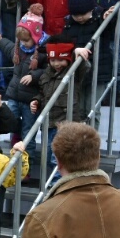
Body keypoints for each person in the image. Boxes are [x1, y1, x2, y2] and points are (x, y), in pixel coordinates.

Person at [29, 43, 91, 173]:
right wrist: (36, 101)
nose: (56, 64)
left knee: (57, 159)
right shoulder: (45, 75)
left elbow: (84, 66)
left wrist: (76, 52)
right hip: (48, 124)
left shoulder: (73, 72)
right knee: (47, 158)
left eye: (60, 60)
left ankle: (56, 183)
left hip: (65, 124)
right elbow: (42, 93)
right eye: (53, 60)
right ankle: (54, 182)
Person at [0, 27, 44, 181]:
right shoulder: (18, 49)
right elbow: (8, 47)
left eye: (27, 40)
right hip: (14, 96)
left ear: (36, 38)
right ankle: (15, 165)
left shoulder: (42, 52)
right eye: (21, 40)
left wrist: (33, 76)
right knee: (12, 123)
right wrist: (0, 41)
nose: (24, 43)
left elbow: (47, 71)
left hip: (31, 100)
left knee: (28, 133)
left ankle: (26, 170)